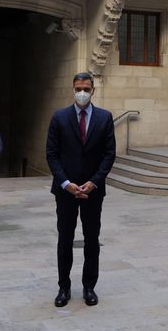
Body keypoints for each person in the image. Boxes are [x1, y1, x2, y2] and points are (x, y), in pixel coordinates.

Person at [46, 72, 116, 308]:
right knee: (65, 239)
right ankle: (63, 287)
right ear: (73, 89)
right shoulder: (59, 117)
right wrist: (66, 184)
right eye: (78, 88)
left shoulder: (105, 118)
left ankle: (89, 287)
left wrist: (94, 181)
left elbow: (109, 154)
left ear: (93, 90)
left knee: (92, 239)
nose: (82, 93)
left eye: (86, 88)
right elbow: (52, 154)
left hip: (93, 190)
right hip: (66, 191)